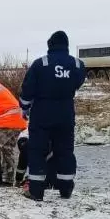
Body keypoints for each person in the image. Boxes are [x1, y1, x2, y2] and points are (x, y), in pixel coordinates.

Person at [19, 31, 86, 200]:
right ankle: (66, 188)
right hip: (66, 113)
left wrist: (24, 108)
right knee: (65, 150)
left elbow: (27, 90)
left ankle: (36, 190)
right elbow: (78, 82)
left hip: (42, 113)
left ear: (50, 45)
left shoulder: (40, 64)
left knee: (38, 150)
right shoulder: (77, 64)